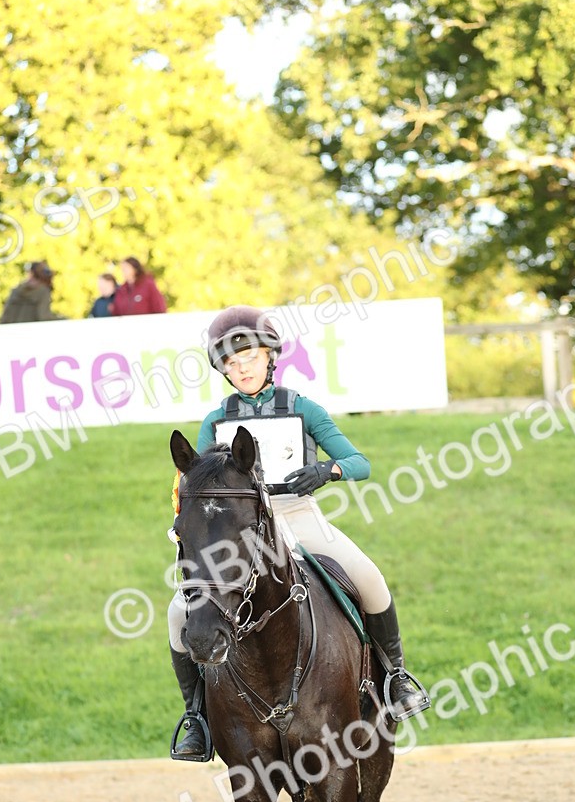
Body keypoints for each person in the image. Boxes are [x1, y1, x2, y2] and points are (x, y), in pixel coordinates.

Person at [168, 305, 431, 760]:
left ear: (270, 356)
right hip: (243, 531)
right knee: (178, 612)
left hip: (299, 515)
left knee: (369, 579)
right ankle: (196, 716)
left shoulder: (302, 407)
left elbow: (359, 463)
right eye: (231, 362)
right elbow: (198, 480)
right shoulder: (216, 419)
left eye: (248, 356)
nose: (241, 367)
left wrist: (325, 470)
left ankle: (396, 677)